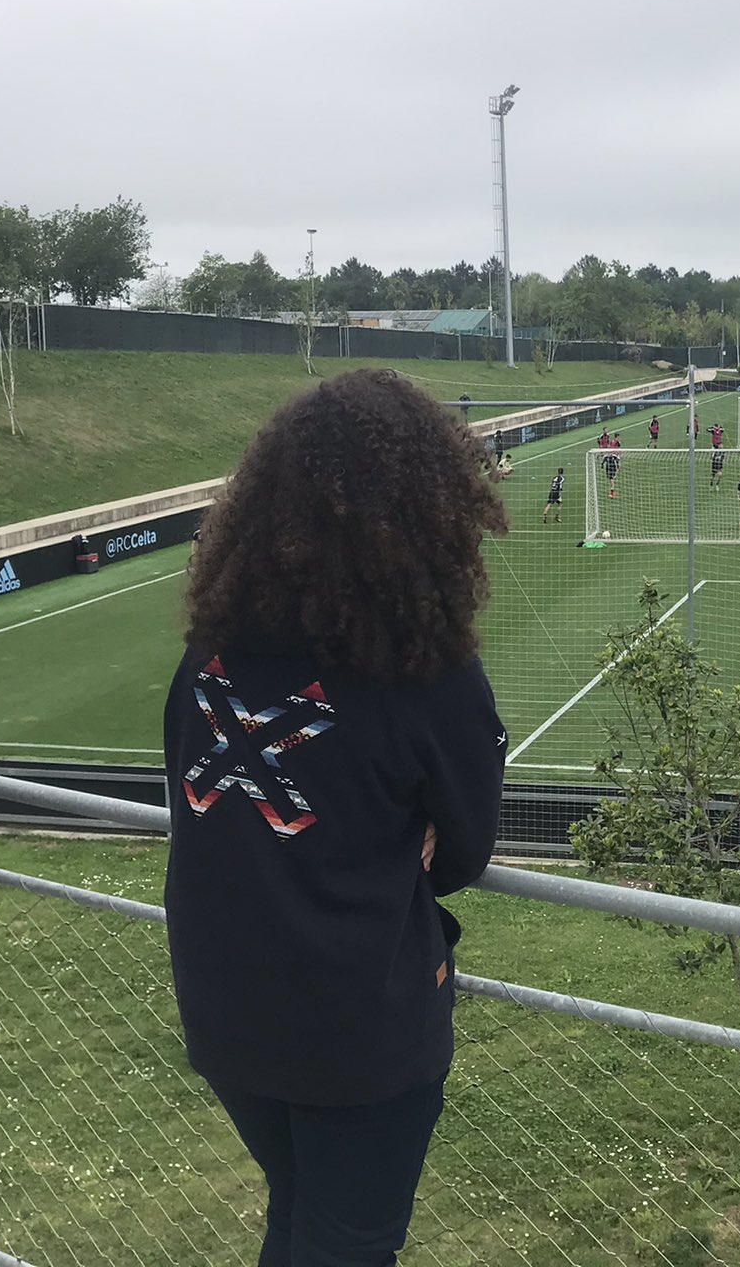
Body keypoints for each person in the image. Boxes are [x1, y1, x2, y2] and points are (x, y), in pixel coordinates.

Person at [168, 368, 507, 1267]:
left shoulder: (207, 661)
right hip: (357, 1030)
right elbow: (464, 847)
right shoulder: (427, 676)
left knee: (302, 1223)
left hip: (226, 1012)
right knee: (344, 1244)